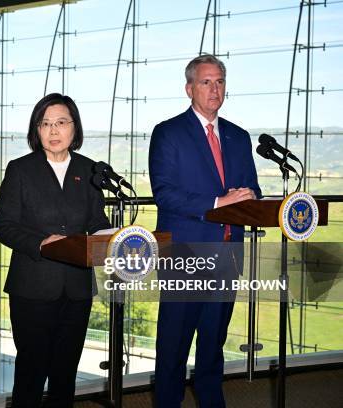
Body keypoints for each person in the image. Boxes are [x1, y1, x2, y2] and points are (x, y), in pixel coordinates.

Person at [148, 54, 261, 407]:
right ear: (189, 88)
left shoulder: (239, 137)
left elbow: (250, 189)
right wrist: (218, 202)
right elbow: (164, 194)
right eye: (206, 81)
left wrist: (250, 197)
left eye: (220, 81)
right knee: (174, 347)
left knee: (213, 345)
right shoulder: (168, 132)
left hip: (228, 254)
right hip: (185, 253)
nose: (215, 89)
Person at [0, 93, 110, 407]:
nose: (53, 131)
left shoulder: (91, 171)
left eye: (61, 122)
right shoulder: (20, 170)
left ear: (74, 128)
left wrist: (112, 236)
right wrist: (40, 243)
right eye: (45, 123)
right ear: (36, 130)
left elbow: (97, 221)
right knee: (31, 372)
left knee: (65, 373)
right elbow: (3, 224)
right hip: (32, 286)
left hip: (77, 287)